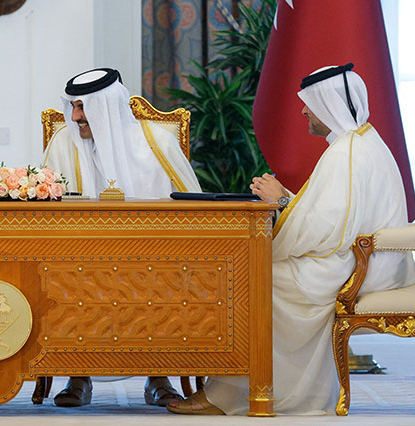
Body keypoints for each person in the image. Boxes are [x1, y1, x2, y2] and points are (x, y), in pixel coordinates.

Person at [169, 63, 415, 415]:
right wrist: (287, 196)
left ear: (328, 105)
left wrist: (281, 202)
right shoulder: (361, 141)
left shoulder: (347, 152)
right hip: (365, 260)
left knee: (251, 284)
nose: (304, 111)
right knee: (250, 276)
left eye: (309, 104)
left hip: (356, 267)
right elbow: (335, 218)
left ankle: (232, 396)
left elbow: (327, 231)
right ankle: (229, 390)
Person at [43, 68, 201, 408]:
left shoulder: (156, 141)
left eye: (83, 108)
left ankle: (158, 377)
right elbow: (44, 209)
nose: (75, 117)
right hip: (79, 253)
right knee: (66, 276)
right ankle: (77, 375)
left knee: (163, 276)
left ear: (106, 107)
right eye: (73, 107)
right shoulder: (63, 142)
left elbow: (189, 203)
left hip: (151, 253)